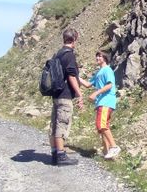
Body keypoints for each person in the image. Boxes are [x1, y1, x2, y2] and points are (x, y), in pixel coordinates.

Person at [49, 28, 84, 166]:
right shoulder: (69, 55)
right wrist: (79, 94)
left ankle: (54, 153)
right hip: (65, 95)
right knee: (62, 124)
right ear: (74, 39)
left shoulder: (58, 54)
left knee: (54, 123)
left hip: (56, 94)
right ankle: (61, 156)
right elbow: (71, 76)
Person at [80, 51, 121, 160]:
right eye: (96, 56)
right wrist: (75, 75)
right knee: (102, 127)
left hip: (106, 101)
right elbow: (88, 84)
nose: (97, 58)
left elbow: (109, 85)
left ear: (105, 58)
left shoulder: (107, 70)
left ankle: (114, 147)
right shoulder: (99, 72)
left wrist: (96, 93)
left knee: (101, 125)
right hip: (101, 102)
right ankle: (106, 152)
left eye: (99, 56)